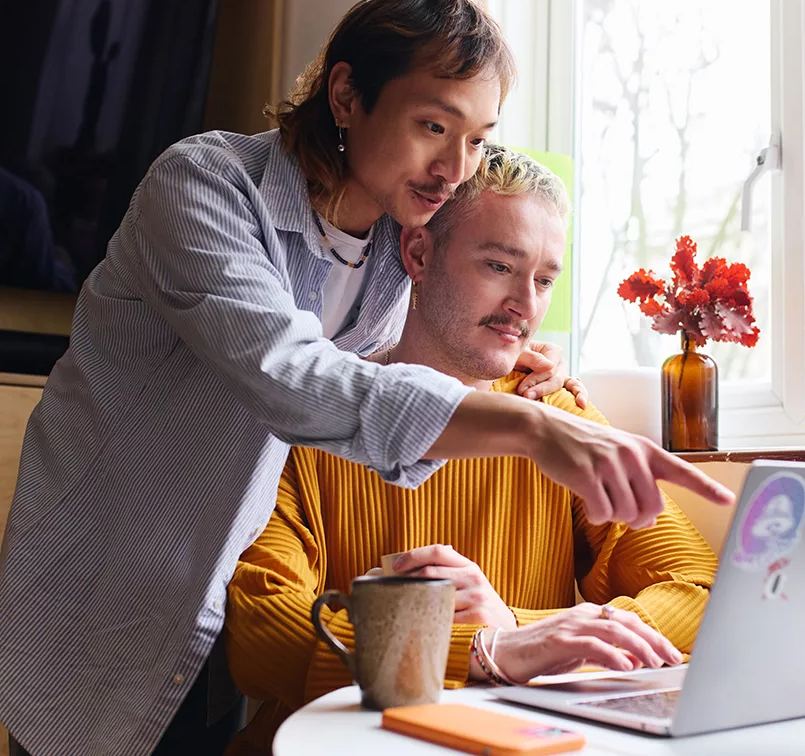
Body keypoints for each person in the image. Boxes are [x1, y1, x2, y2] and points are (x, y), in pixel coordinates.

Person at [0, 0, 732, 756]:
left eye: (476, 138)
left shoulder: (392, 238)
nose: (452, 167)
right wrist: (524, 428)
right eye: (433, 125)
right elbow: (291, 377)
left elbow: (441, 314)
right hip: (111, 601)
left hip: (220, 626)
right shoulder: (202, 186)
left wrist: (516, 359)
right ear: (346, 94)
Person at [222, 145, 720, 754]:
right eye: (498, 266)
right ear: (419, 253)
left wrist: (519, 630)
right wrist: (483, 650)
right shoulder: (305, 419)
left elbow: (699, 589)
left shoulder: (557, 415)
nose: (525, 306)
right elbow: (262, 638)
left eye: (543, 280)